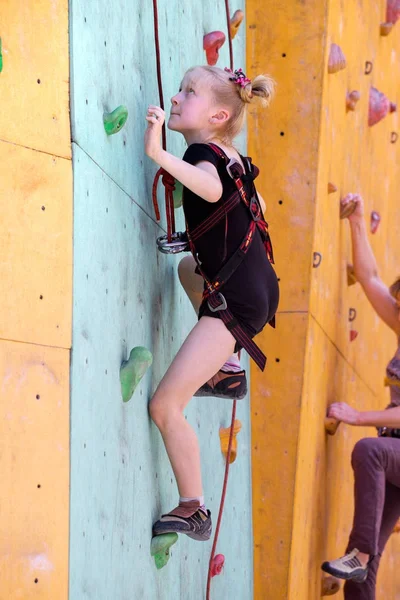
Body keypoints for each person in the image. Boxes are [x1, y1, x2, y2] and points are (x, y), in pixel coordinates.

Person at [144, 65, 279, 541]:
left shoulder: (203, 159)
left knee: (165, 405)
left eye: (189, 93)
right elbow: (233, 211)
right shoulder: (230, 153)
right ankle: (228, 370)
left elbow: (210, 189)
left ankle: (193, 507)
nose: (177, 99)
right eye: (180, 90)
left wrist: (158, 151)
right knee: (186, 270)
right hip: (258, 287)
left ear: (219, 114)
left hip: (237, 305)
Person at [321, 193, 400, 598]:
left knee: (369, 450)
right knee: (362, 581)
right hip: (397, 458)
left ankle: (359, 552)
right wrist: (355, 219)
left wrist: (357, 415)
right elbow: (369, 280)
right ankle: (361, 559)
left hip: (392, 452)